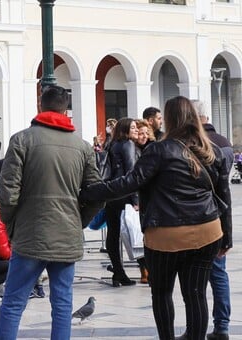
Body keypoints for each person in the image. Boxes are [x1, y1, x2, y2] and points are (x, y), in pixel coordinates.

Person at [80, 96, 232, 340]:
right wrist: (227, 237)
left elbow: (129, 183)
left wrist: (89, 192)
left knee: (161, 293)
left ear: (169, 120)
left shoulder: (159, 150)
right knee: (196, 294)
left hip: (166, 234)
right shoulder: (211, 150)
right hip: (208, 231)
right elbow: (224, 194)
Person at [0, 85, 102, 340]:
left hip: (30, 234)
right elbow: (98, 195)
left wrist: (11, 226)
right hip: (66, 235)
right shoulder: (83, 147)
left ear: (40, 105)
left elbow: (7, 193)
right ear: (66, 109)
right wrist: (79, 221)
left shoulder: (22, 140)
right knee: (63, 304)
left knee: (13, 302)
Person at [192, 99, 233, 340]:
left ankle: (196, 326)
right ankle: (222, 326)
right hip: (218, 218)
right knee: (219, 275)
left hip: (198, 219)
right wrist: (228, 235)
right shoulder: (225, 143)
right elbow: (224, 190)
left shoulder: (195, 144)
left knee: (195, 280)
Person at [102, 117, 139, 287]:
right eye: (133, 127)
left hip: (111, 192)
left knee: (113, 233)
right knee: (131, 231)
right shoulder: (128, 144)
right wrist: (135, 199)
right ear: (125, 130)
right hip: (124, 193)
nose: (136, 130)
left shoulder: (112, 143)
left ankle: (118, 271)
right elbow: (131, 171)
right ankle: (137, 270)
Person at [134, 118, 155, 284]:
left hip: (150, 200)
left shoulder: (153, 149)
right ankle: (144, 270)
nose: (143, 136)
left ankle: (150, 269)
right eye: (140, 133)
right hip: (138, 200)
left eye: (146, 133)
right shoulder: (132, 150)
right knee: (138, 237)